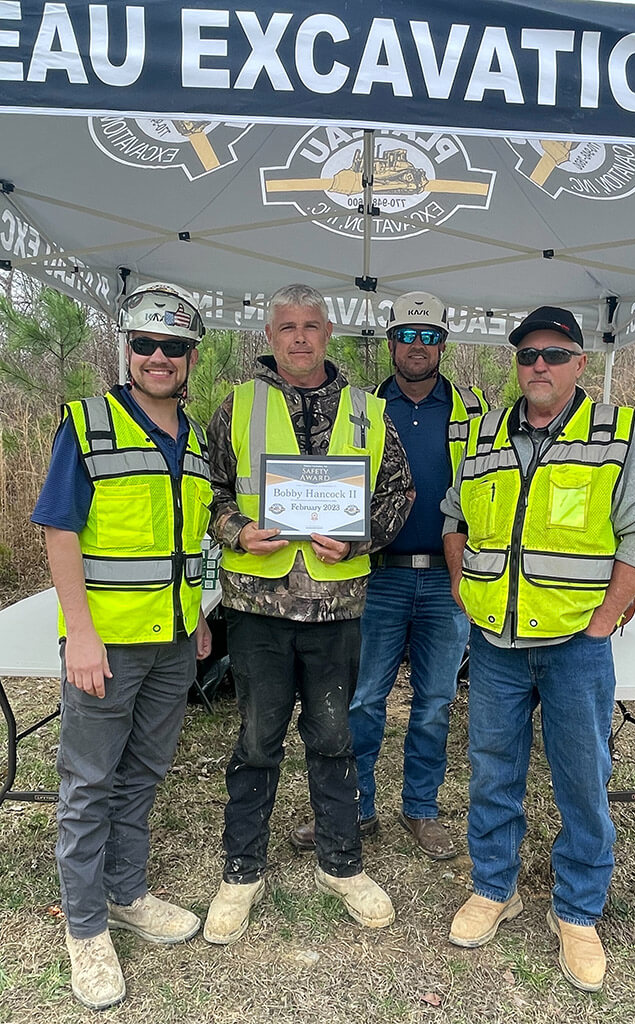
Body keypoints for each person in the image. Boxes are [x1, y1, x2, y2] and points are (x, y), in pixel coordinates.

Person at [441, 305, 635, 992]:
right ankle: (494, 887)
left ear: (578, 363)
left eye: (554, 354)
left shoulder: (616, 433)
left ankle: (577, 911)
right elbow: (454, 516)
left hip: (575, 646)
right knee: (493, 771)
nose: (538, 365)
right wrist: (460, 584)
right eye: (527, 354)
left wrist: (604, 618)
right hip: (496, 643)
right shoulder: (483, 435)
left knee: (581, 781)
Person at [203, 283, 414, 944]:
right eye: (287, 326)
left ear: (329, 333)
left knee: (332, 738)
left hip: (336, 607)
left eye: (311, 326)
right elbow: (208, 490)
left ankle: (341, 865)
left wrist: (358, 540)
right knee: (257, 740)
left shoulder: (367, 410)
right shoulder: (237, 405)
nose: (299, 337)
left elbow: (399, 492)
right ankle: (242, 872)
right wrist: (237, 530)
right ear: (269, 337)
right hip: (257, 606)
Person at [31, 282, 214, 1011]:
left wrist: (197, 617)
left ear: (190, 357)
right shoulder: (88, 426)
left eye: (173, 346)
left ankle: (126, 892)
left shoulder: (194, 440)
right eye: (145, 344)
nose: (158, 357)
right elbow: (59, 530)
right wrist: (79, 632)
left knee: (143, 773)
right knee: (88, 785)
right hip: (106, 645)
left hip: (173, 640)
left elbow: (186, 541)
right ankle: (84, 928)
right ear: (127, 350)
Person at [290, 291, 488, 859]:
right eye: (407, 335)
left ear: (443, 344)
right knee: (363, 700)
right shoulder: (362, 409)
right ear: (391, 342)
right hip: (377, 577)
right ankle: (356, 807)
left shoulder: (474, 412)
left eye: (428, 337)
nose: (417, 346)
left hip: (450, 581)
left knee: (434, 702)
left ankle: (421, 809)